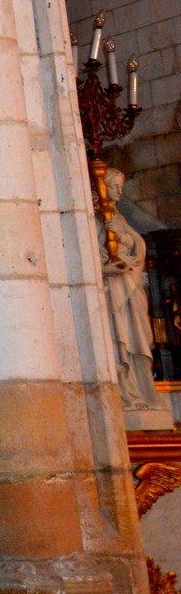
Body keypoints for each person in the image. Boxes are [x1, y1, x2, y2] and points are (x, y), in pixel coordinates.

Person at [101, 166, 164, 418]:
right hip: (114, 288)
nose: (119, 191)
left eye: (121, 186)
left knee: (140, 338)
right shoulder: (97, 216)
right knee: (120, 340)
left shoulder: (118, 215)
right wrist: (108, 265)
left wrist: (127, 245)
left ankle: (143, 391)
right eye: (114, 186)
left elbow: (137, 244)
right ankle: (127, 393)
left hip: (132, 283)